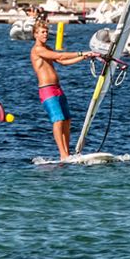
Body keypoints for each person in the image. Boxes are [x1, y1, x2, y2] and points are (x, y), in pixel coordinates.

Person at [29, 19, 102, 161]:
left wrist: (83, 57)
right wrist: (81, 52)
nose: (45, 34)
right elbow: (60, 55)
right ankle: (63, 154)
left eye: (46, 32)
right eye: (42, 32)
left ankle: (67, 153)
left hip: (57, 89)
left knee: (67, 120)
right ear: (35, 35)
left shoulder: (47, 48)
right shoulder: (37, 50)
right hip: (47, 90)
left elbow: (62, 62)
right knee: (58, 120)